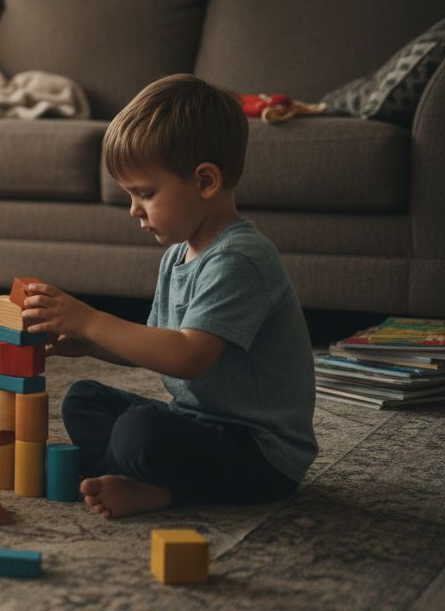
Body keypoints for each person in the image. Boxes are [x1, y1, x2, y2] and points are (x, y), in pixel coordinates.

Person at [21, 74, 317, 518]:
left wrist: (90, 319)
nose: (134, 210)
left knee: (141, 432)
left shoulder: (240, 257)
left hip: (260, 455)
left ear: (205, 181)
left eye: (145, 193)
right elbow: (157, 341)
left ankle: (159, 490)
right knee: (84, 399)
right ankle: (129, 472)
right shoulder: (178, 253)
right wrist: (92, 346)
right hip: (198, 426)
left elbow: (185, 357)